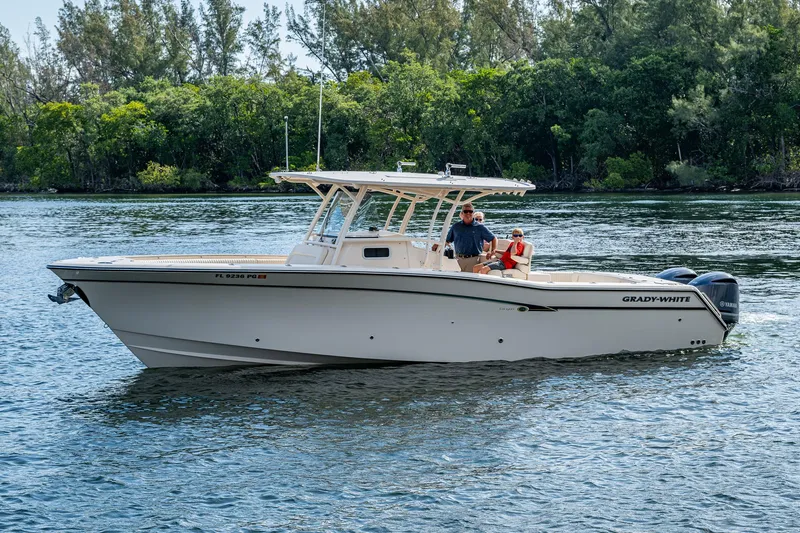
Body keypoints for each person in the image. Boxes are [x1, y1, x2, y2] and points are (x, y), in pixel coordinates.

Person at [438, 203, 497, 272]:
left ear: (473, 213)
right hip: (458, 259)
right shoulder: (456, 227)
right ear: (462, 213)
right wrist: (439, 246)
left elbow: (493, 238)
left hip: (473, 259)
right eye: (466, 211)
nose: (468, 213)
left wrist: (492, 250)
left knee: (469, 281)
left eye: (470, 211)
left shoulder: (480, 227)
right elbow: (448, 240)